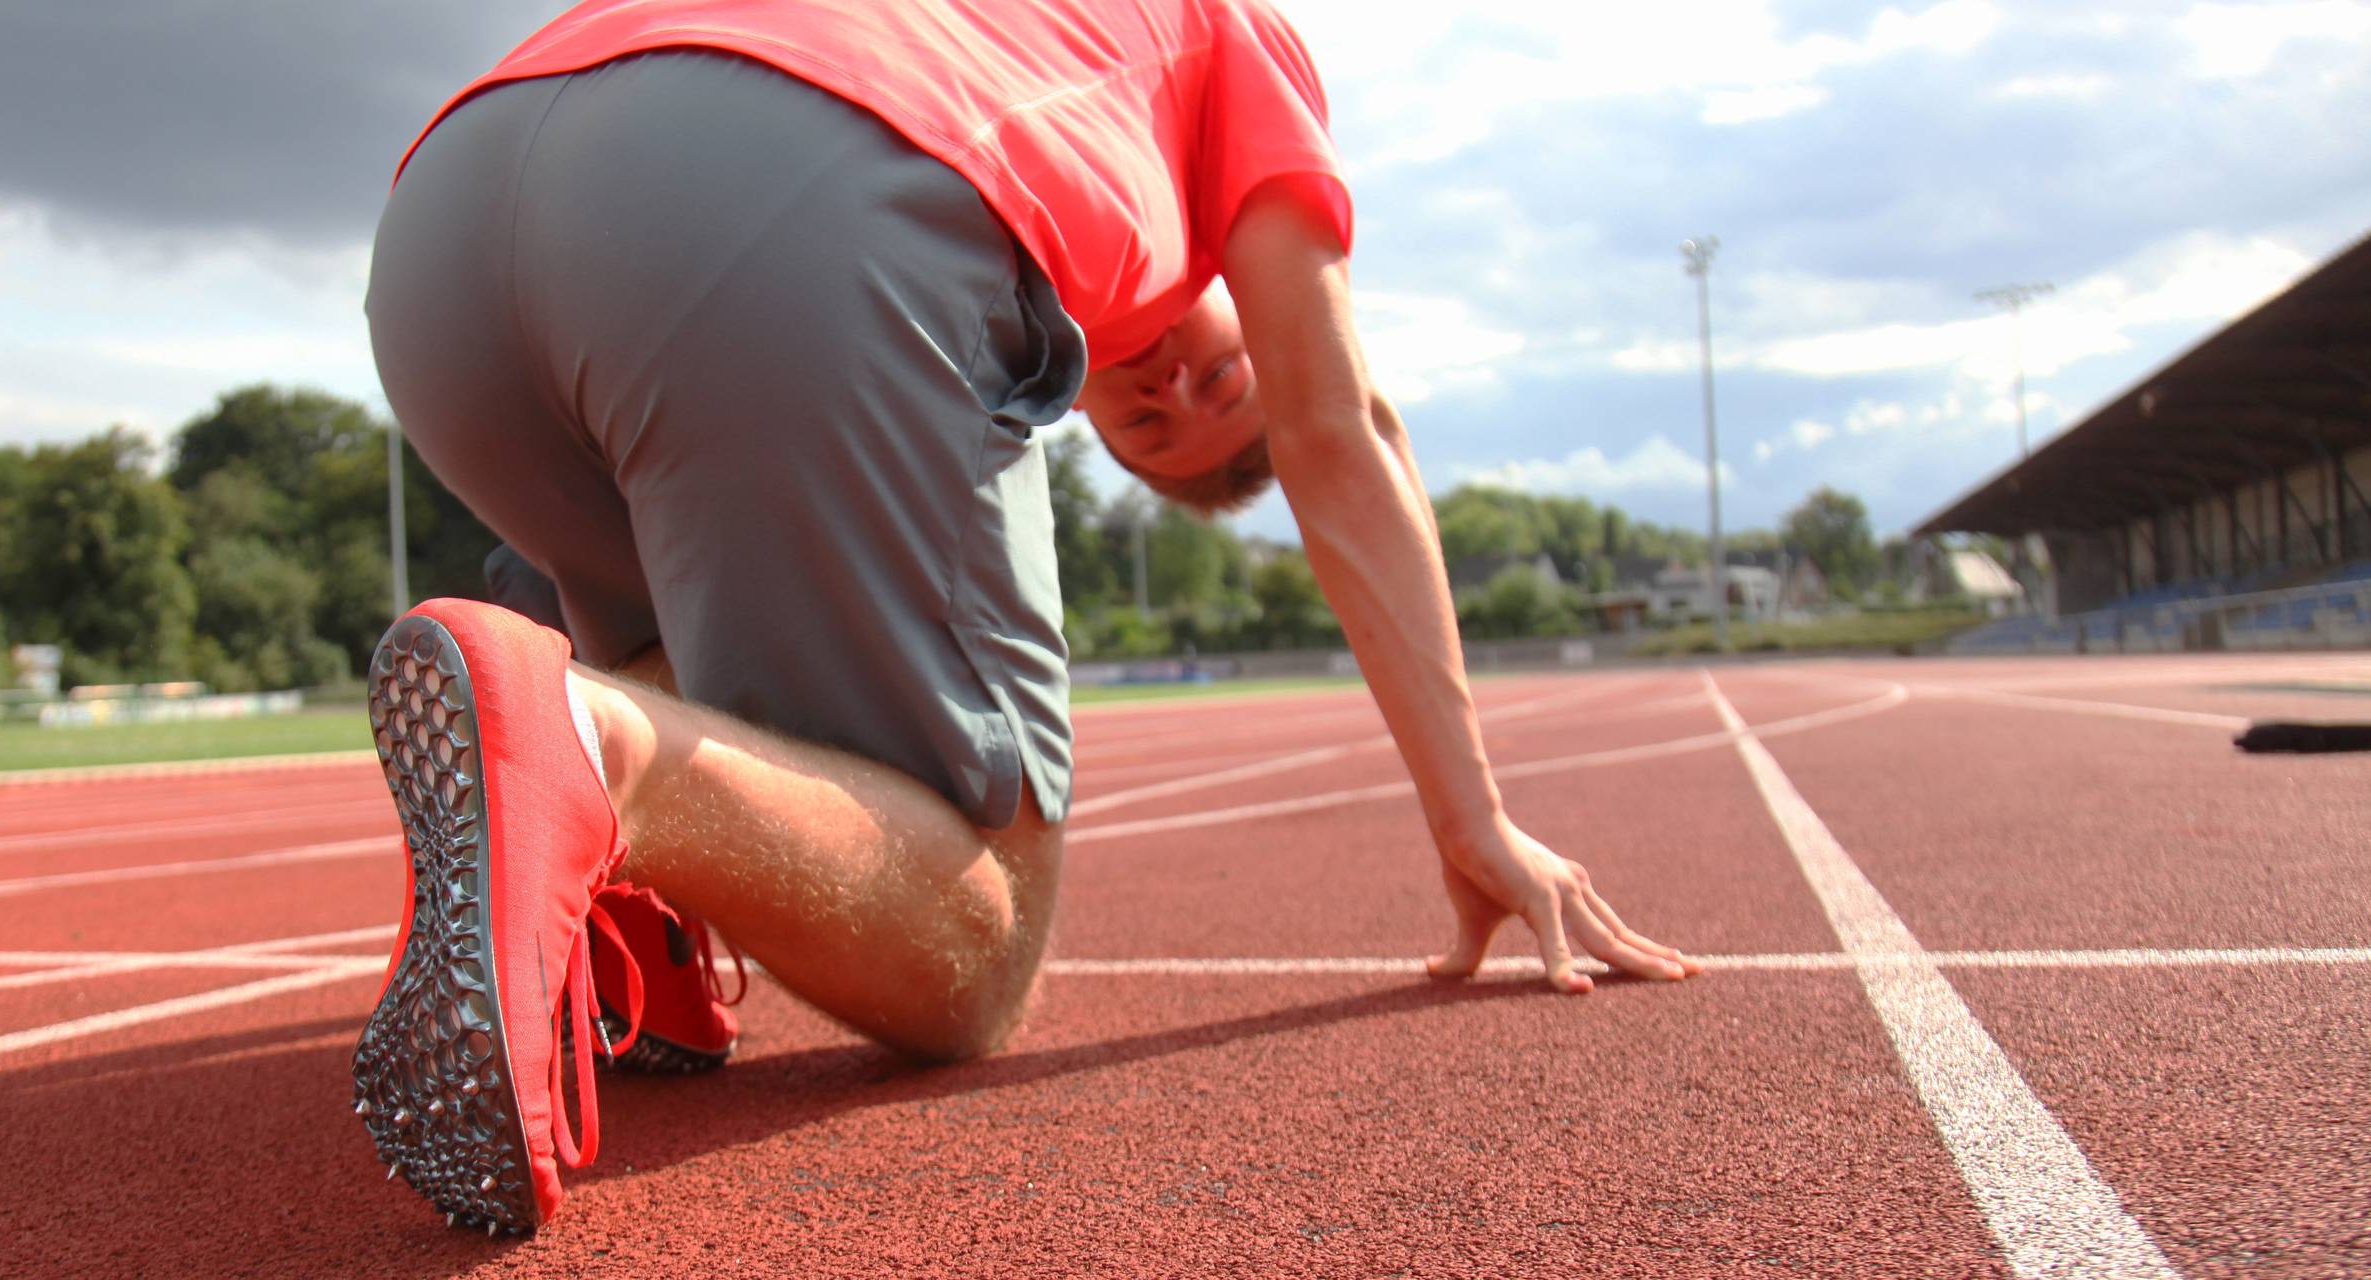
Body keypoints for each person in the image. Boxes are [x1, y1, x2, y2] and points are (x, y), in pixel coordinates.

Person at [353, 0, 1698, 1237]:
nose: (1170, 381)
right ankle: (587, 747)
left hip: (448, 226)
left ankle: (619, 904)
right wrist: (1472, 818)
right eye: (1225, 374)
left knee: (695, 640)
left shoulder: (1033, 41)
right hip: (790, 185)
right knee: (973, 943)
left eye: (1157, 427)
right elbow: (1337, 427)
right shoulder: (1236, 34)